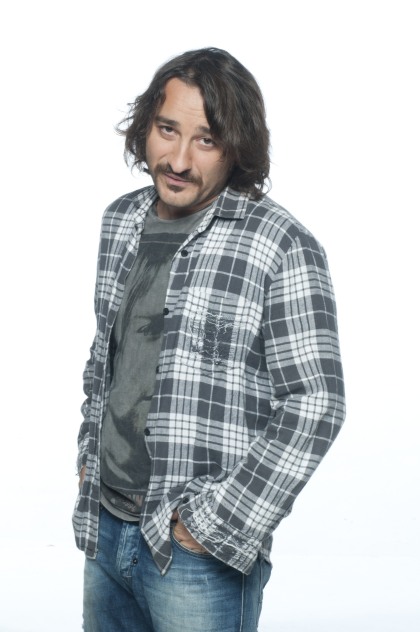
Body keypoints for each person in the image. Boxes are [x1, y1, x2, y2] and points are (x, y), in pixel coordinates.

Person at [73, 47, 346, 632]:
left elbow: (317, 402)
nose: (178, 159)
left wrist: (215, 523)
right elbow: (106, 357)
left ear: (237, 148)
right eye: (167, 129)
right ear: (145, 126)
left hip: (196, 552)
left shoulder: (281, 244)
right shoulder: (120, 220)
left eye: (206, 140)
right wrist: (87, 462)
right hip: (106, 525)